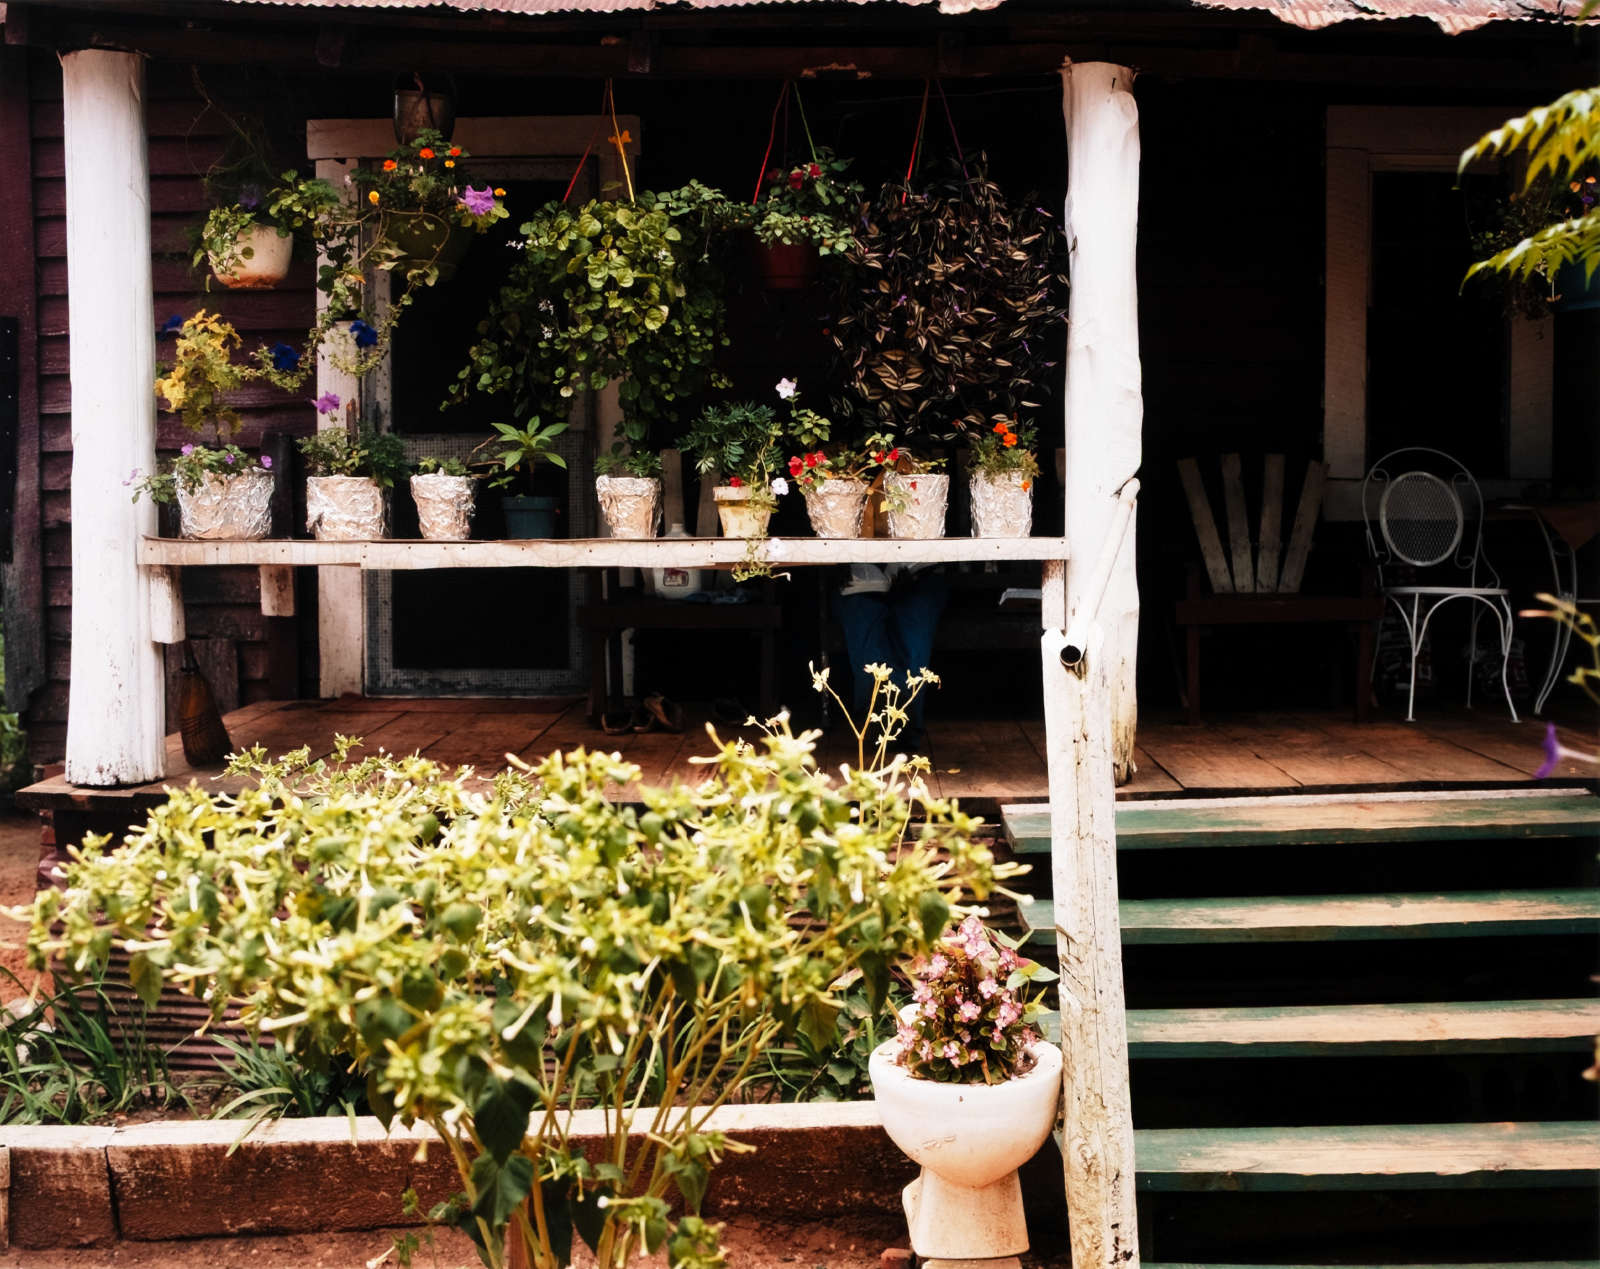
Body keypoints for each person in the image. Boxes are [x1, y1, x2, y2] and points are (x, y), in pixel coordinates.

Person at [833, 563, 948, 748]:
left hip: (919, 574)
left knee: (913, 642)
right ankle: (878, 721)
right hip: (858, 579)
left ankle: (901, 724)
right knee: (869, 649)